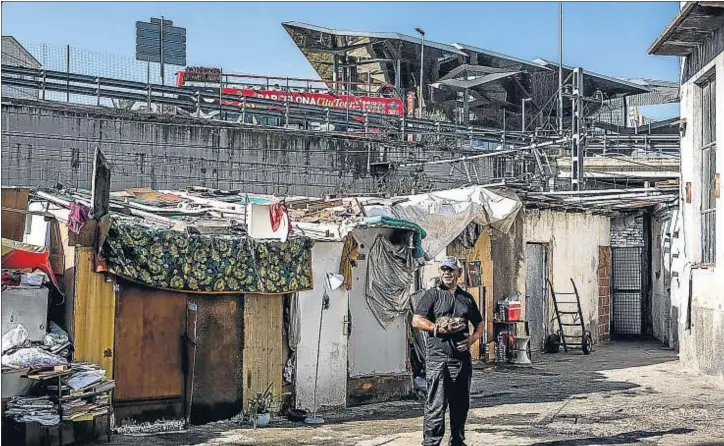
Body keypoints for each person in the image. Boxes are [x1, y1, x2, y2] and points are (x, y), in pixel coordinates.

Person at [412, 256, 484, 446]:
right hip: (438, 359)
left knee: (460, 405)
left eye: (451, 270)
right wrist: (437, 328)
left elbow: (479, 323)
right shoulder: (432, 295)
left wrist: (472, 339)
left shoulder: (466, 298)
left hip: (461, 360)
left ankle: (457, 441)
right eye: (444, 269)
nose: (447, 273)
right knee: (436, 406)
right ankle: (431, 443)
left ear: (459, 273)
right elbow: (416, 320)